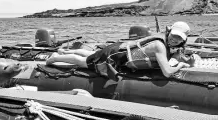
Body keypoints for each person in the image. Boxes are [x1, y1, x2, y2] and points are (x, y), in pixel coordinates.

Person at [46, 21, 199, 79]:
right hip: (115, 55)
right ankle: (53, 58)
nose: (174, 40)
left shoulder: (167, 43)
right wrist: (181, 65)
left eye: (178, 39)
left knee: (92, 55)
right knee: (83, 62)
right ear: (169, 32)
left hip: (117, 49)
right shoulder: (160, 45)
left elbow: (177, 56)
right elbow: (167, 72)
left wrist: (188, 60)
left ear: (183, 40)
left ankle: (64, 52)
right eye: (173, 36)